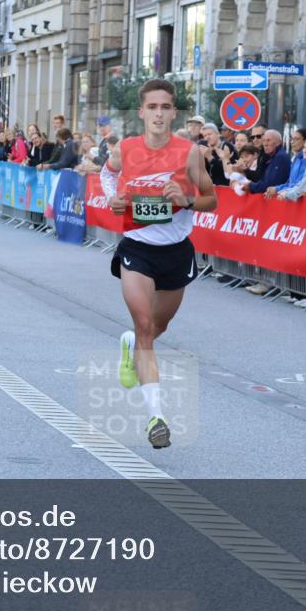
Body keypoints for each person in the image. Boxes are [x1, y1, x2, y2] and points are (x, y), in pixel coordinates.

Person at [102, 78, 217, 449]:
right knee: (146, 324)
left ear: (173, 112)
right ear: (141, 112)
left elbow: (211, 200)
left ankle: (130, 344)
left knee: (158, 326)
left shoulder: (189, 153)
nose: (158, 113)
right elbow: (106, 174)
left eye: (165, 107)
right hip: (137, 248)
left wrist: (185, 200)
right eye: (152, 107)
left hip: (176, 251)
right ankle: (156, 416)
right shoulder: (126, 148)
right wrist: (112, 199)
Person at [264, 128, 306, 199]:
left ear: (305, 141)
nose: (292, 142)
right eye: (292, 139)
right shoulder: (296, 159)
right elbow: (290, 183)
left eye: (297, 139)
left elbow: (300, 184)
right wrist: (277, 188)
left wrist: (278, 189)